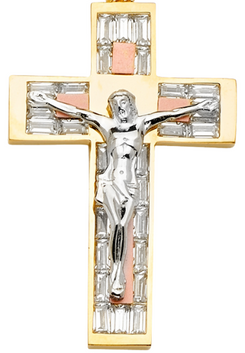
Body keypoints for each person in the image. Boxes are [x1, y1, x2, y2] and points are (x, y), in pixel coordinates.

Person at [28, 88, 216, 299]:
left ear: (131, 104)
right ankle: (117, 276)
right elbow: (78, 112)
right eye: (115, 104)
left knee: (122, 226)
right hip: (111, 182)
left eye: (123, 102)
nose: (120, 107)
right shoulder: (108, 126)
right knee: (117, 224)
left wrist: (200, 106)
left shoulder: (142, 124)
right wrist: (47, 100)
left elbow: (172, 114)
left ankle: (117, 273)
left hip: (130, 185)